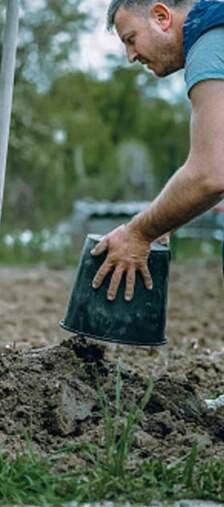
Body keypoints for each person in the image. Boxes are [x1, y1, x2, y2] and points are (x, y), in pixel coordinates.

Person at [95, 0, 224, 410]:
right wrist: (167, 217)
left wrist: (140, 231)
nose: (131, 56)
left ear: (162, 16)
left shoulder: (211, 38)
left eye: (131, 39)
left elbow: (211, 171)